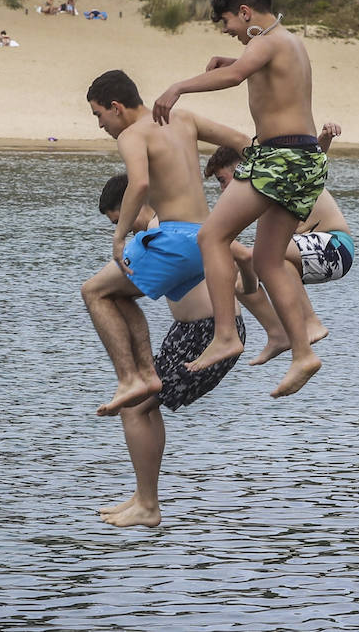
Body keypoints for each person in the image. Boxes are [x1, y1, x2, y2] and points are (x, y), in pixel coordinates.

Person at [149, 0, 325, 397]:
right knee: (266, 261)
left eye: (227, 22)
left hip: (279, 159)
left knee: (211, 236)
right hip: (304, 159)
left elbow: (238, 76)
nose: (228, 32)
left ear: (246, 13)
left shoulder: (263, 42)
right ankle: (299, 348)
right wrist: (232, 62)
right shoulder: (288, 42)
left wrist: (179, 87)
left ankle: (225, 335)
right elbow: (262, 76)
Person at [84, 69, 252, 416]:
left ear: (116, 106)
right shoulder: (184, 117)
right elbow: (243, 141)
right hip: (204, 240)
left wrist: (119, 238)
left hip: (175, 238)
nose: (101, 124)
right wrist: (244, 195)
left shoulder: (131, 135)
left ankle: (132, 377)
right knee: (116, 294)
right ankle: (146, 373)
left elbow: (140, 184)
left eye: (99, 115)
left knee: (93, 292)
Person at [95, 173, 246, 528]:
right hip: (189, 332)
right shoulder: (169, 229)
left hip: (205, 334)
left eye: (122, 221)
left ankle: (148, 503)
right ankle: (143, 496)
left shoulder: (164, 229)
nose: (127, 231)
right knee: (142, 405)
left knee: (135, 406)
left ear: (132, 204)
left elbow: (236, 252)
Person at [202, 122, 351, 366]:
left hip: (335, 247)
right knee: (241, 280)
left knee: (268, 256)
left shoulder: (278, 179)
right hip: (310, 253)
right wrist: (246, 286)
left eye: (222, 179)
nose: (222, 189)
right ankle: (277, 334)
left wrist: (324, 138)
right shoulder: (262, 194)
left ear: (241, 167)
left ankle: (311, 321)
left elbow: (311, 159)